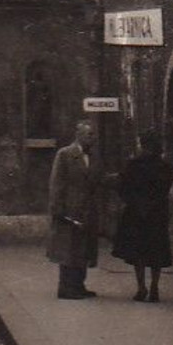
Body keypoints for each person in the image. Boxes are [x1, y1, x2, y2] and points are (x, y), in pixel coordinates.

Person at [111, 128, 173, 302]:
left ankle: (141, 288)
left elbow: (123, 188)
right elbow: (165, 190)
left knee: (138, 252)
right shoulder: (166, 167)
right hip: (157, 214)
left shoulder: (133, 165)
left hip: (136, 213)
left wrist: (132, 202)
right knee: (157, 251)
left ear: (144, 145)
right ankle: (154, 287)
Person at [47, 119, 104, 299]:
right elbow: (57, 183)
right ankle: (65, 288)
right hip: (70, 209)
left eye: (93, 134)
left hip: (88, 209)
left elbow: (98, 179)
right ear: (78, 135)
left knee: (84, 248)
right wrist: (58, 209)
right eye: (89, 134)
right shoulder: (64, 154)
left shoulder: (93, 157)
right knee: (68, 249)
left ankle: (79, 285)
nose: (92, 138)